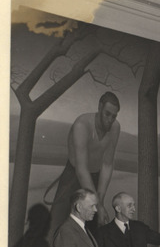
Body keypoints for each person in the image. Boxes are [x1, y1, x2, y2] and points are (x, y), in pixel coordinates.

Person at [49, 92, 121, 236]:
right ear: (100, 108)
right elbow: (81, 169)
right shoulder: (82, 125)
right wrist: (98, 204)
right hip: (73, 176)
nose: (110, 120)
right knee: (55, 224)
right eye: (107, 114)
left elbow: (107, 164)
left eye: (113, 116)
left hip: (95, 177)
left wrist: (99, 201)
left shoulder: (115, 128)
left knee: (93, 226)